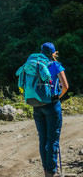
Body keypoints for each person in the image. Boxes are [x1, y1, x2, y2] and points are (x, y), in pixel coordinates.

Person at [33, 42, 69, 177]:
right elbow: (65, 86)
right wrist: (57, 97)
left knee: (43, 139)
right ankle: (51, 172)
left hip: (37, 106)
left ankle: (45, 170)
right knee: (52, 139)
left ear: (41, 52)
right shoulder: (55, 65)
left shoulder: (35, 66)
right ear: (54, 53)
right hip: (52, 105)